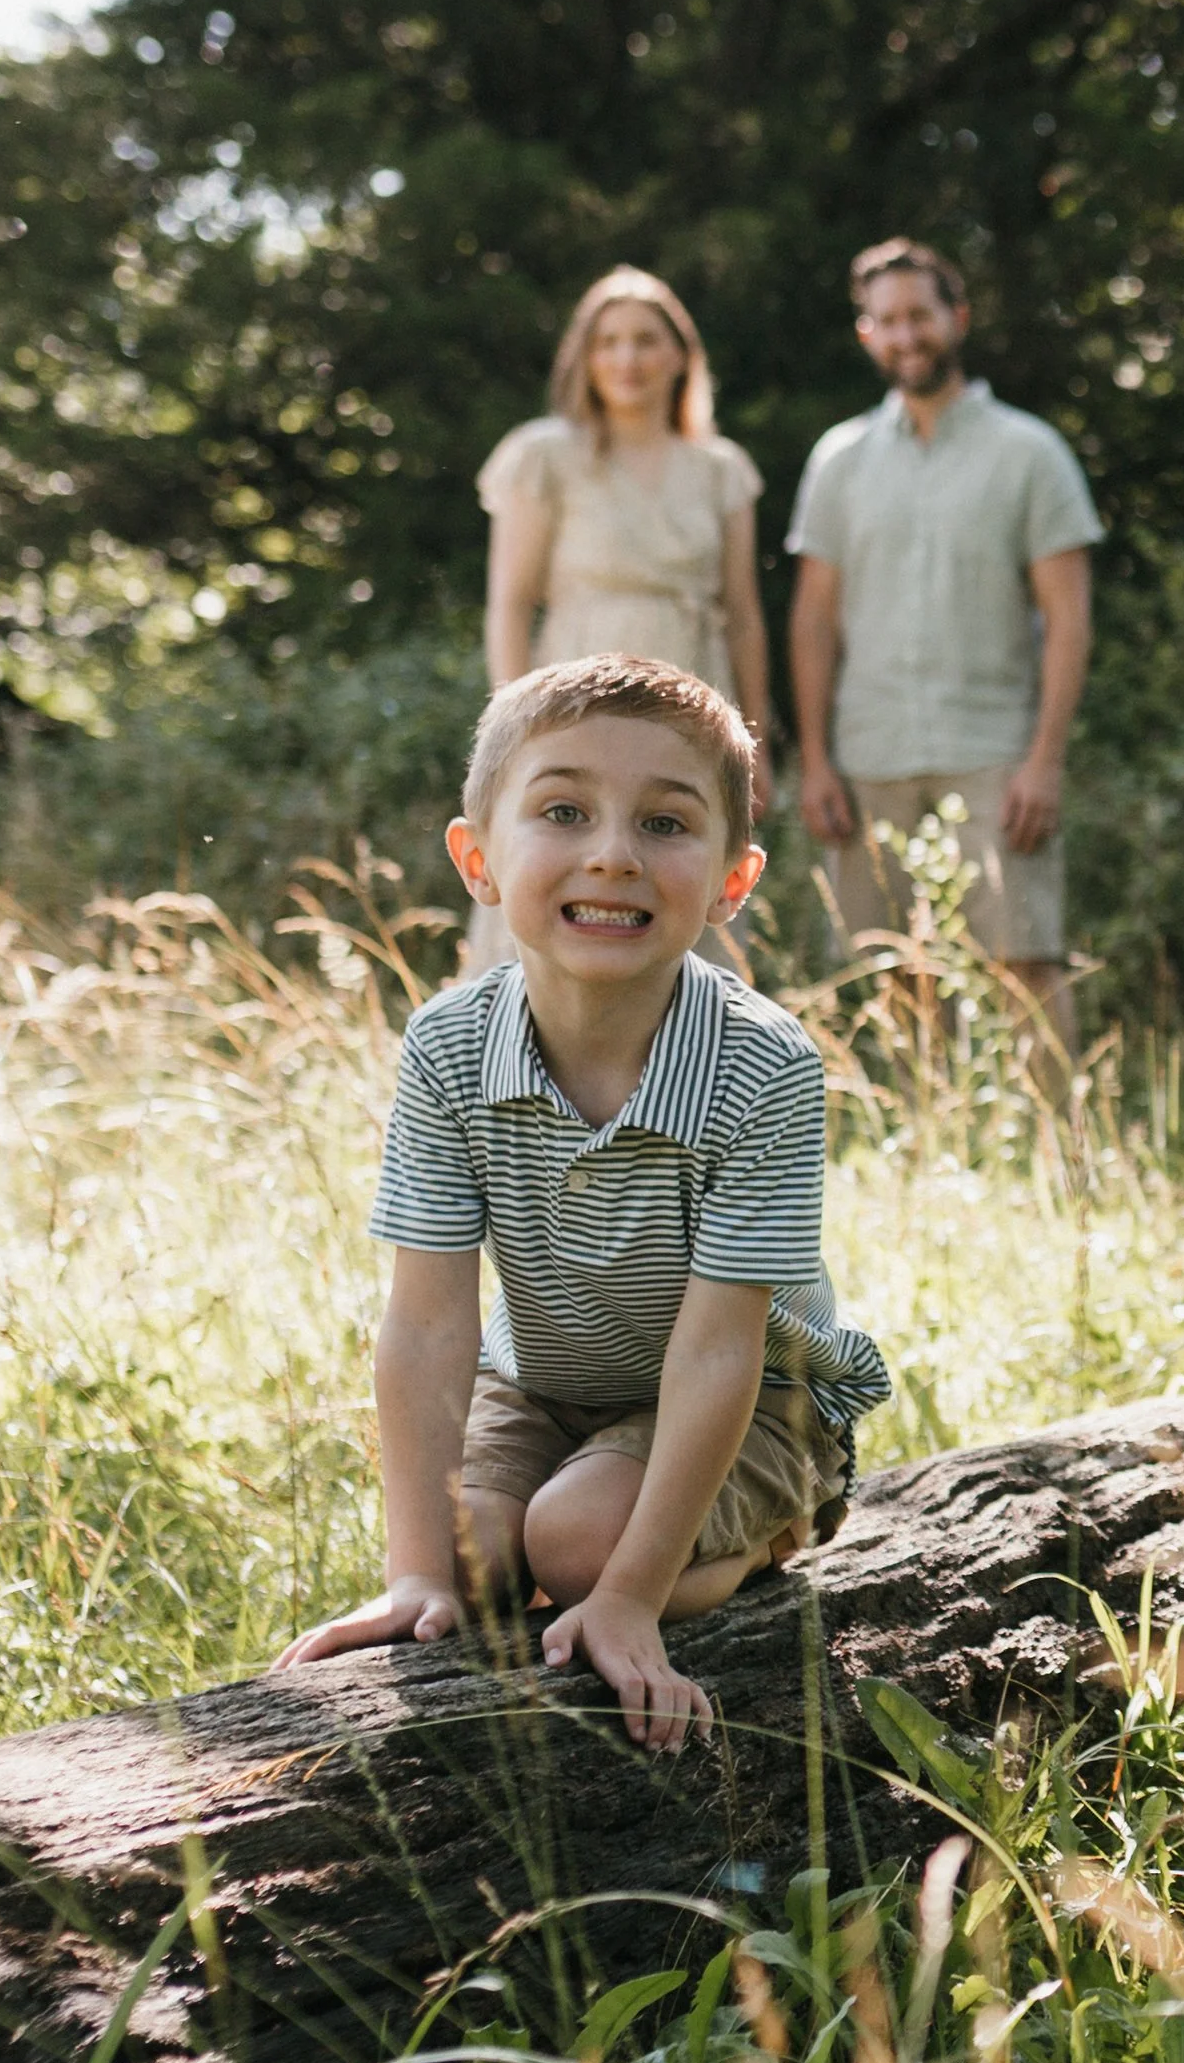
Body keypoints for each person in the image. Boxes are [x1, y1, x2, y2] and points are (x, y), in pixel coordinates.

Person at [276, 654, 890, 1752]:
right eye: (563, 811)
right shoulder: (451, 1047)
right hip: (548, 1377)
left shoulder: (765, 1068)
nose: (611, 853)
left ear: (732, 880)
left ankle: (771, 1523)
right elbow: (426, 1323)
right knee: (466, 1566)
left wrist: (631, 1599)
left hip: (754, 1398)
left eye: (665, 824)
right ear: (479, 860)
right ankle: (531, 1527)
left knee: (572, 1551)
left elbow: (715, 1353)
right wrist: (412, 1574)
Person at [787, 238, 1101, 1057]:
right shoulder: (839, 459)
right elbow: (814, 618)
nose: (905, 336)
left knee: (1023, 966)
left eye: (919, 316)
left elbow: (1068, 618)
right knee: (890, 977)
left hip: (992, 753)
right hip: (868, 754)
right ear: (866, 335)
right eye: (886, 321)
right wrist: (815, 757)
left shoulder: (1030, 452)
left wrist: (1046, 759)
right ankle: (929, 1153)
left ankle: (1065, 1163)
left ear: (955, 319)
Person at [470, 271, 771, 975]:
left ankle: (688, 1071)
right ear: (586, 357)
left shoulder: (721, 470)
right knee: (565, 867)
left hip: (695, 685)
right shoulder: (545, 456)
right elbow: (511, 603)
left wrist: (758, 748)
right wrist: (512, 730)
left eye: (645, 341)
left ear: (679, 356)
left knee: (678, 865)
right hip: (573, 686)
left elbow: (745, 617)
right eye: (609, 342)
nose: (627, 359)